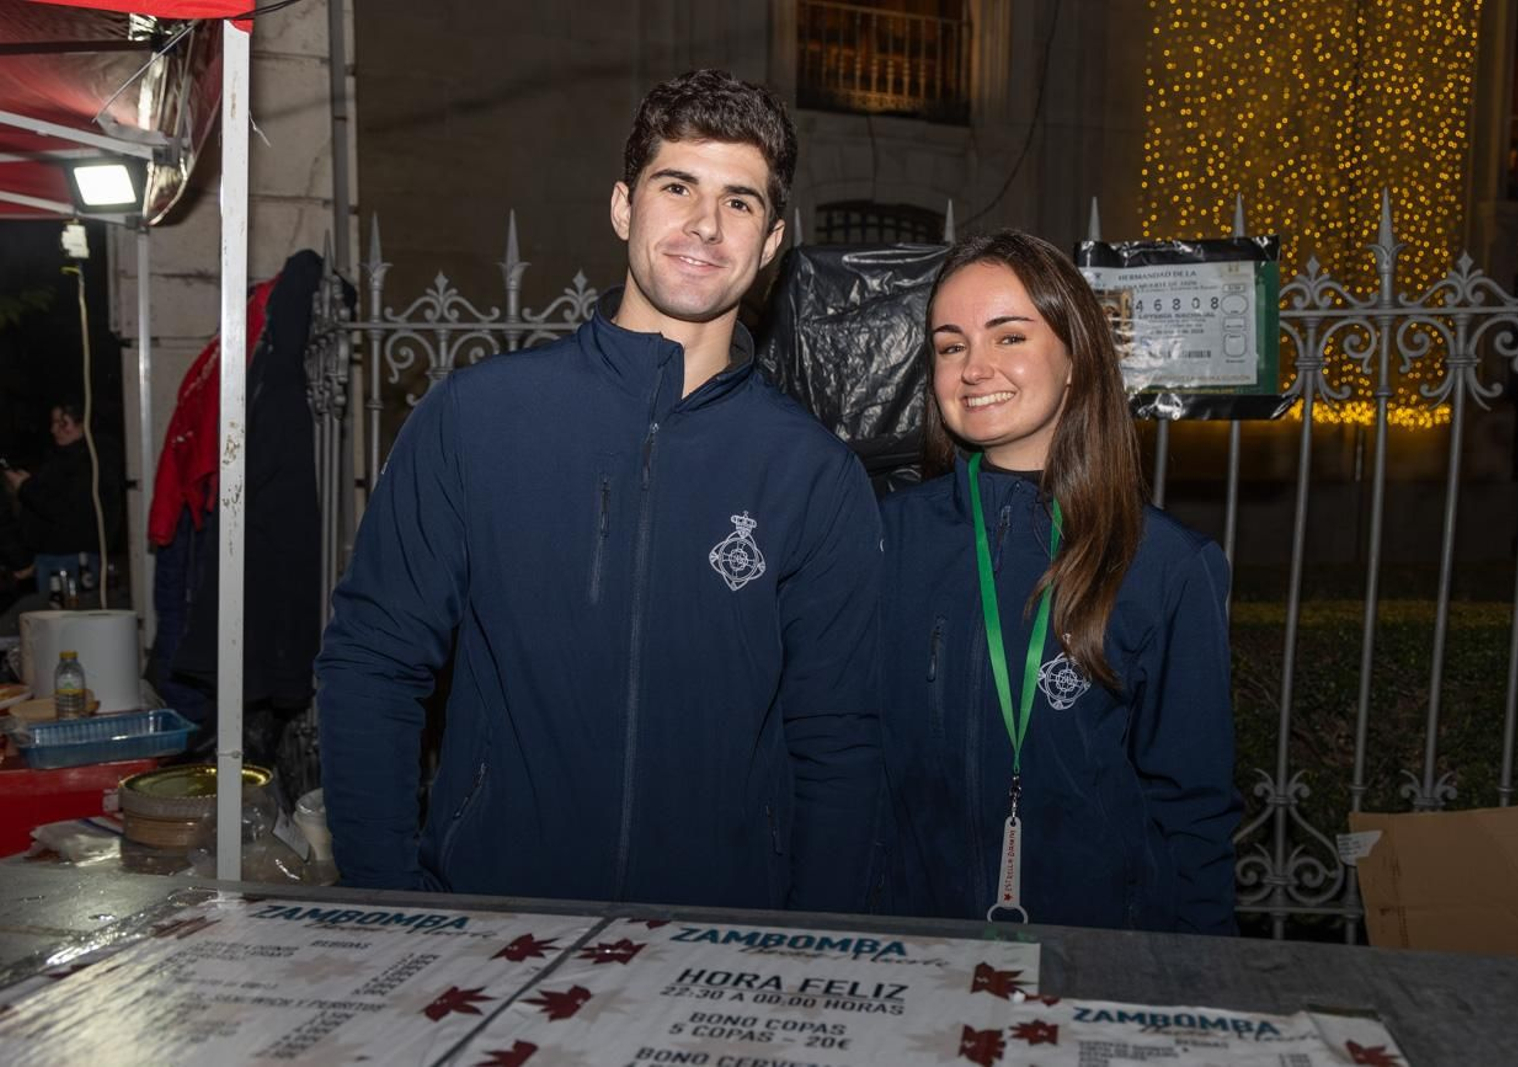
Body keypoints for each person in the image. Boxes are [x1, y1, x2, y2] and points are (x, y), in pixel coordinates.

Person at [317, 70, 883, 910]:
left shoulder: (813, 476)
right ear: (624, 207)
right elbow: (372, 661)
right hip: (490, 926)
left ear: (770, 245)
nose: (704, 223)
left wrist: (808, 948)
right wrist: (389, 904)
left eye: (740, 202)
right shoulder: (478, 417)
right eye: (678, 185)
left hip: (718, 946)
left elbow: (837, 744)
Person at [879, 230, 1240, 934]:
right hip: (910, 952)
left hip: (1097, 961)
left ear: (1074, 358)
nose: (975, 368)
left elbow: (1195, 814)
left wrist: (1203, 979)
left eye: (1008, 337)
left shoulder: (1166, 564)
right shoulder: (883, 538)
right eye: (951, 346)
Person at [2, 402, 119, 598]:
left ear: (84, 424)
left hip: (71, 559)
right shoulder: (64, 457)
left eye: (63, 423)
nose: (54, 429)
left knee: (69, 622)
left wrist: (25, 488)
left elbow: (65, 509)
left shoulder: (92, 461)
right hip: (53, 557)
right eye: (53, 423)